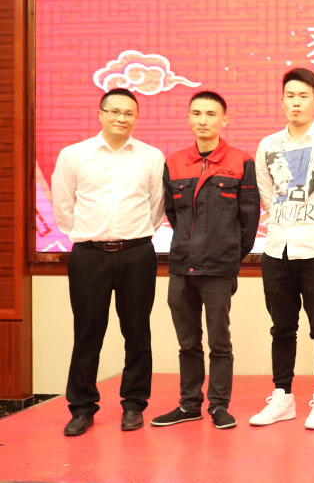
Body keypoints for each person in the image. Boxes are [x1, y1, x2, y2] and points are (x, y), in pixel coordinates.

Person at [51, 88, 165, 436]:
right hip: (89, 256)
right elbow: (63, 206)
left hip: (137, 254)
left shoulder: (151, 156)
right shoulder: (74, 155)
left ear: (136, 118)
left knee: (137, 330)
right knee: (87, 332)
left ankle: (134, 404)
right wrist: (88, 236)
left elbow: (156, 207)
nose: (121, 118)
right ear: (100, 114)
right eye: (114, 111)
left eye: (128, 113)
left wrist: (133, 237)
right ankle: (82, 407)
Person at [150, 91, 259, 430]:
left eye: (211, 114)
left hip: (219, 269)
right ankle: (189, 404)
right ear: (188, 118)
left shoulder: (241, 162)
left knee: (219, 342)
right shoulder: (174, 163)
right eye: (196, 113)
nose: (203, 120)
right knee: (188, 343)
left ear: (224, 119)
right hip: (181, 266)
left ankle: (219, 405)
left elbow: (249, 220)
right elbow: (173, 213)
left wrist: (229, 256)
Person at [249, 68, 314, 429]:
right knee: (281, 327)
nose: (296, 102)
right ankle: (282, 396)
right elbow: (266, 194)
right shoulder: (268, 146)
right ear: (281, 100)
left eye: (303, 96)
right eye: (290, 96)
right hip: (277, 248)